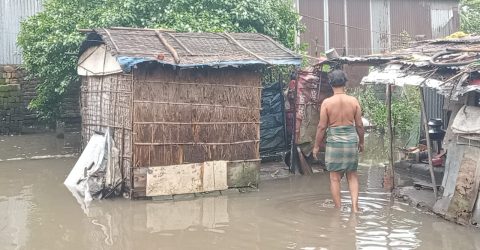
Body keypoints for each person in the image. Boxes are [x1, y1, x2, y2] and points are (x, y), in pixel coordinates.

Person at [312, 70, 365, 213]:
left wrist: (316, 146)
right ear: (345, 82)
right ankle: (355, 208)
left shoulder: (327, 103)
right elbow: (359, 125)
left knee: (334, 178)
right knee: (352, 175)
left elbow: (322, 126)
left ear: (330, 84)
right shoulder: (353, 101)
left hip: (334, 143)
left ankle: (338, 209)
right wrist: (361, 142)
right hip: (350, 142)